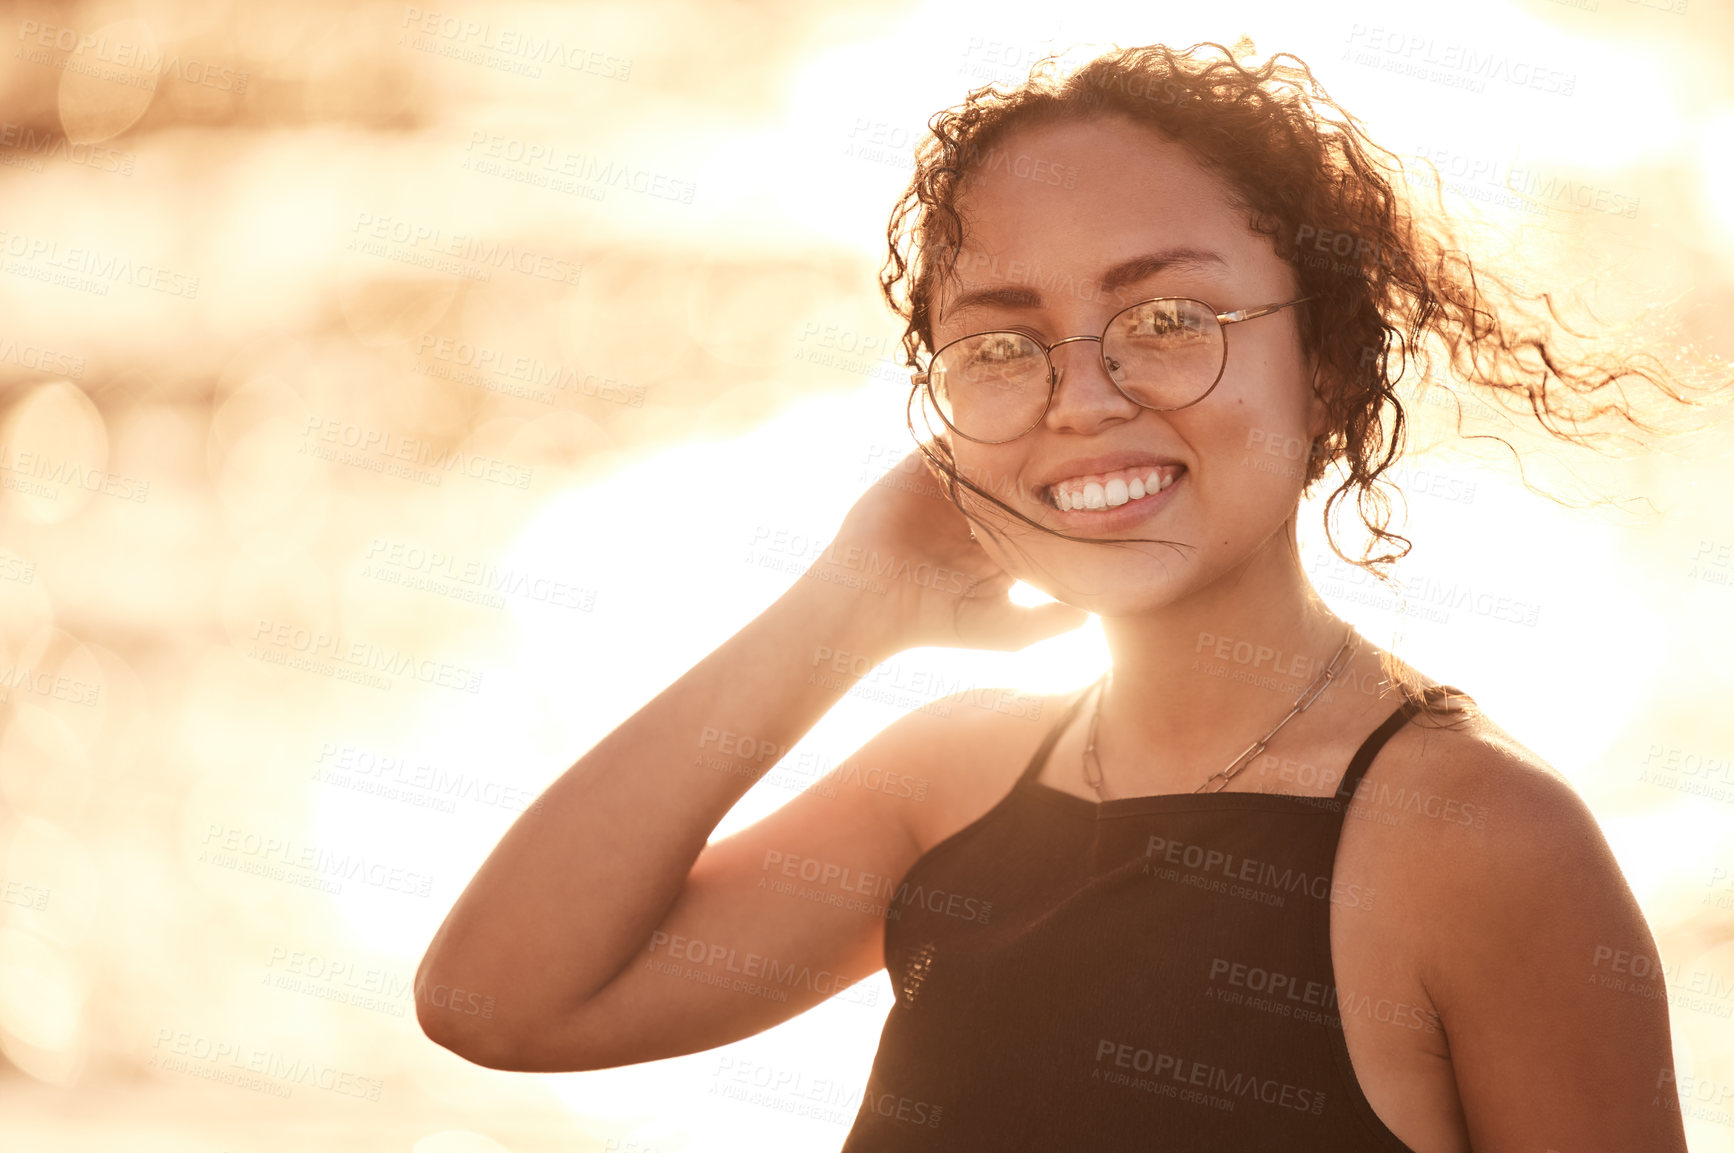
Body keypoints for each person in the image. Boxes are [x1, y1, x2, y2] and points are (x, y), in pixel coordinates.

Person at [415, 42, 1709, 1151]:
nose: (1080, 396)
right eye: (999, 343)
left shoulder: (1473, 837)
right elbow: (501, 1001)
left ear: (1321, 365)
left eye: (1167, 317)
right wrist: (852, 600)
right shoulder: (948, 783)